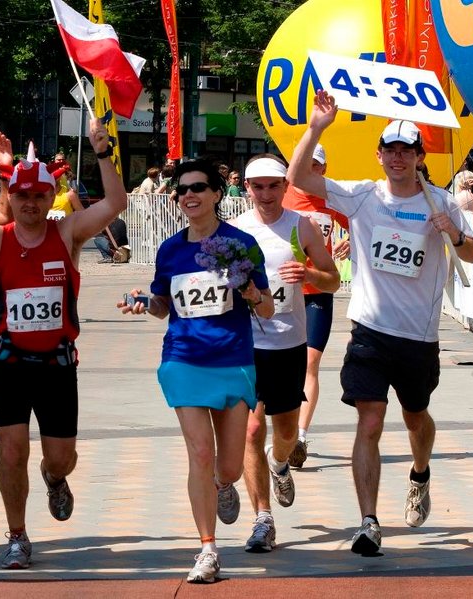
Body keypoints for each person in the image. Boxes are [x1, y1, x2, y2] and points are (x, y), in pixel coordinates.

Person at [0, 118, 126, 570]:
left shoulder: (68, 232)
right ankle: (16, 534)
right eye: (23, 196)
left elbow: (115, 202)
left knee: (62, 457)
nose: (31, 203)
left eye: (39, 195)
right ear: (11, 198)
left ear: (48, 198)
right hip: (10, 363)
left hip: (57, 365)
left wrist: (104, 153)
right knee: (11, 450)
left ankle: (54, 478)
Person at [288, 91, 473, 556]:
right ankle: (369, 522)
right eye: (390, 149)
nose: (397, 157)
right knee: (369, 421)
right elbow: (298, 178)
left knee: (416, 417)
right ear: (379, 156)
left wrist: (451, 232)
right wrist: (316, 127)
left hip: (418, 337)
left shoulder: (441, 201)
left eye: (406, 149)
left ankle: (420, 473)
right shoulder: (362, 196)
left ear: (418, 155)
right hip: (370, 332)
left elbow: (472, 252)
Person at [121, 159, 274, 583]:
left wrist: (247, 289)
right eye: (182, 189)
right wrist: (141, 302)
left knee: (226, 466)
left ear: (217, 194)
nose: (189, 195)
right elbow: (161, 306)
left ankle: (225, 486)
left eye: (198, 188)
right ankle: (207, 550)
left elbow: (267, 306)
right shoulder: (170, 250)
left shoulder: (241, 243)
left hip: (233, 360)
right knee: (200, 455)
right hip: (183, 359)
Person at [233, 154, 339, 553]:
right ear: (246, 188)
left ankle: (279, 465)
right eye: (257, 186)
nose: (265, 194)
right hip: (247, 347)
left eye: (273, 186)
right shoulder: (234, 231)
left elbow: (331, 281)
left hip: (288, 345)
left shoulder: (302, 225)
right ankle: (263, 519)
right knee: (251, 430)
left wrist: (308, 274)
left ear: (284, 187)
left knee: (286, 435)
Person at [281, 143, 350, 468]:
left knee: (310, 364)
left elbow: (359, 226)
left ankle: (300, 437)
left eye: (318, 166)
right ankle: (283, 427)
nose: (313, 171)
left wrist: (352, 240)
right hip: (286, 291)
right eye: (308, 165)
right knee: (286, 363)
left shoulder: (331, 199)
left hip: (319, 289)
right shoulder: (282, 196)